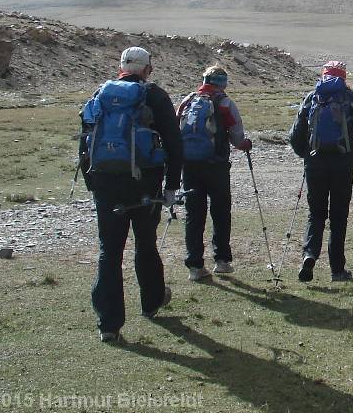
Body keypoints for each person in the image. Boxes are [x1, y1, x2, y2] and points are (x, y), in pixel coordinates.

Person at [79, 46, 183, 342]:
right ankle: (151, 303)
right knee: (145, 243)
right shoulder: (155, 96)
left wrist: (93, 183)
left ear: (121, 67)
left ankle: (109, 324)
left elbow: (85, 139)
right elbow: (174, 144)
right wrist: (172, 186)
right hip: (145, 184)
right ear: (148, 68)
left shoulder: (101, 94)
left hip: (106, 182)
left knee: (109, 251)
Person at [288, 61, 353, 283]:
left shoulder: (311, 98)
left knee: (315, 213)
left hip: (315, 164)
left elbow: (295, 135)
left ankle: (309, 255)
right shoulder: (350, 98)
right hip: (343, 165)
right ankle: (337, 269)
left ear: (323, 75)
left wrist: (306, 155)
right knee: (339, 216)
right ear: (343, 78)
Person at [176, 65, 253, 282]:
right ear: (223, 83)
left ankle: (195, 265)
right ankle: (222, 261)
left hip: (189, 166)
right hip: (216, 166)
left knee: (194, 215)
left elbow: (175, 131)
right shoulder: (225, 103)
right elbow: (238, 139)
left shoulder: (187, 102)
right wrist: (246, 144)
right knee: (220, 212)